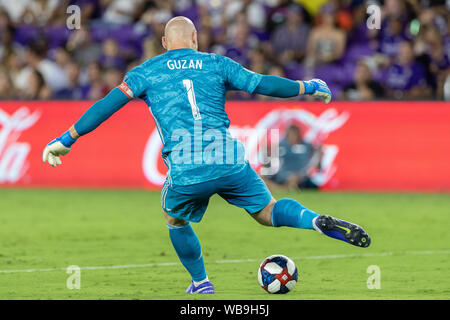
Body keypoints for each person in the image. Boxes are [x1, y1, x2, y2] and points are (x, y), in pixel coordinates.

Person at [42, 16, 370, 294]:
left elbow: (105, 106)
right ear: (195, 39)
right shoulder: (217, 63)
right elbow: (263, 85)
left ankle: (201, 283)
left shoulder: (146, 72)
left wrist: (67, 138)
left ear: (164, 42)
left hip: (186, 169)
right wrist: (307, 86)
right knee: (267, 211)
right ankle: (314, 220)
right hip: (228, 159)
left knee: (174, 218)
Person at [263, 124, 321, 191]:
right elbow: (270, 163)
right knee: (260, 177)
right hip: (281, 175)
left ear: (299, 135)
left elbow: (314, 163)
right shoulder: (280, 145)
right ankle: (283, 189)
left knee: (294, 179)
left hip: (300, 176)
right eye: (291, 134)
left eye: (295, 134)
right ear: (287, 134)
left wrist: (319, 154)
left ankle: (282, 189)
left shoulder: (307, 146)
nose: (293, 137)